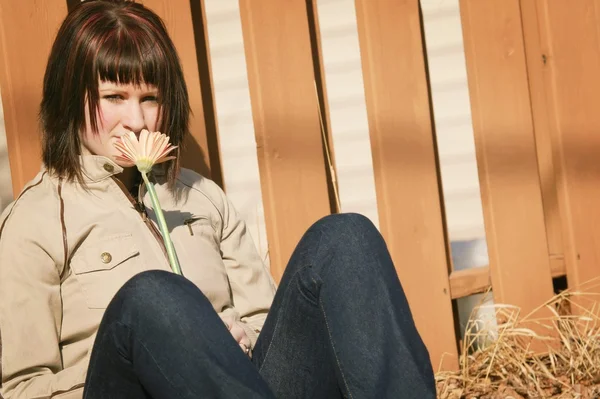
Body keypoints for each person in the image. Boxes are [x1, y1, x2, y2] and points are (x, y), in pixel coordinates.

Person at [0, 1, 436, 398]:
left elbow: (269, 327)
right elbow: (20, 388)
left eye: (149, 98)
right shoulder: (35, 221)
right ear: (70, 101)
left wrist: (238, 337)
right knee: (153, 298)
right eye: (114, 98)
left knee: (346, 237)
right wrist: (152, 357)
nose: (135, 120)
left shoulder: (202, 198)